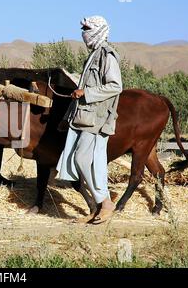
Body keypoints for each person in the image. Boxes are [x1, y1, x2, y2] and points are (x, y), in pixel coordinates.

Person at [56, 16, 123, 224]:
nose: (83, 32)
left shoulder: (106, 55)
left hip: (97, 119)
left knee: (82, 160)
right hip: (84, 118)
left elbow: (115, 86)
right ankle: (98, 208)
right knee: (84, 162)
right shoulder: (94, 55)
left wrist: (86, 93)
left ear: (98, 30)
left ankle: (105, 202)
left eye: (87, 28)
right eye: (83, 28)